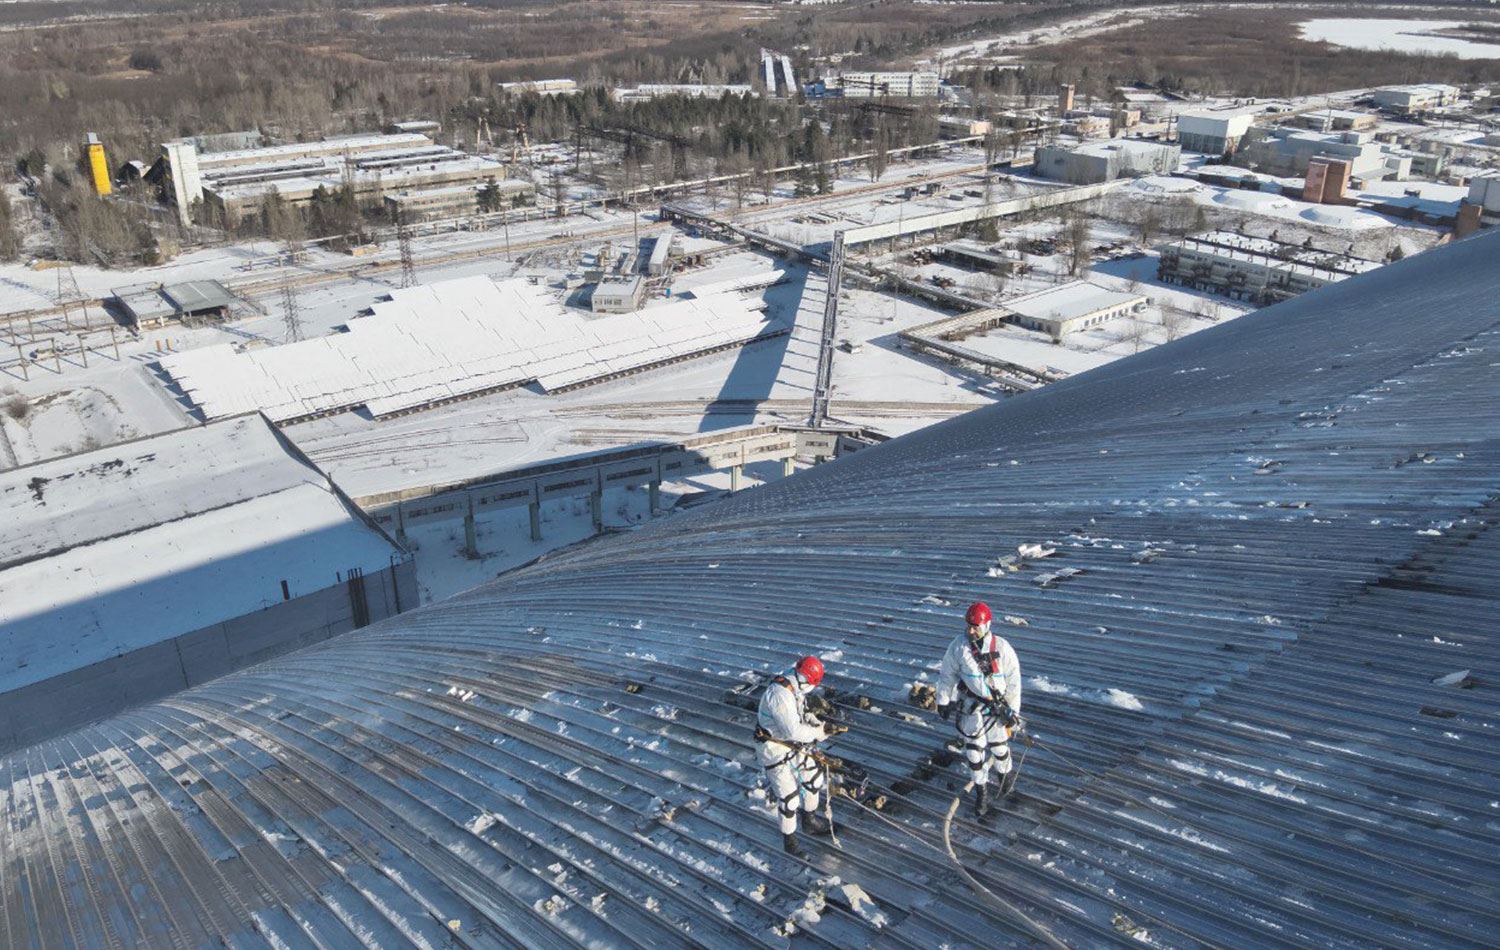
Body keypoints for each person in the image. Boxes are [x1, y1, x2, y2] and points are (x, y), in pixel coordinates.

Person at [936, 602, 1023, 817]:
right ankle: (981, 791)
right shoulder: (959, 647)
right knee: (974, 753)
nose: (970, 630)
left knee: (1000, 749)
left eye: (975, 626)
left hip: (997, 709)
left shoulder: (1002, 648)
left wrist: (1013, 711)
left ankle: (1005, 780)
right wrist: (943, 700)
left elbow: (1014, 683)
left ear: (986, 625)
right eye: (968, 625)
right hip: (972, 708)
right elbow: (947, 675)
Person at [756, 655, 844, 855]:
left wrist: (818, 723)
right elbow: (791, 731)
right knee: (789, 798)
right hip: (774, 747)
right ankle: (790, 842)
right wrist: (820, 733)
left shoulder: (794, 683)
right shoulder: (780, 695)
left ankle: (809, 820)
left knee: (813, 777)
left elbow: (800, 712)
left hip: (792, 744)